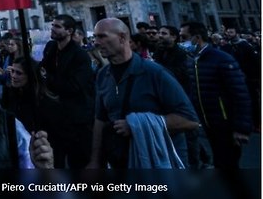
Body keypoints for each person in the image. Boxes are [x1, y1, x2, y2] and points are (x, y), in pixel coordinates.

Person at [87, 18, 199, 169]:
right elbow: (100, 120)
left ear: (122, 38)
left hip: (160, 164)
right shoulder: (102, 75)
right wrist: (95, 161)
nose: (96, 42)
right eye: (95, 37)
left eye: (102, 36)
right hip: (120, 162)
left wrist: (136, 125)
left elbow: (189, 119)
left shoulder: (155, 73)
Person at [184, 21, 252, 169]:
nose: (182, 42)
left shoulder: (221, 58)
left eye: (185, 38)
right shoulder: (193, 61)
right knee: (220, 162)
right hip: (208, 123)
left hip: (226, 122)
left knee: (228, 164)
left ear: (196, 37)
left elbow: (240, 94)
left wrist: (241, 128)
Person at [39, 14, 94, 168]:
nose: (53, 29)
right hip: (56, 116)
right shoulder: (51, 48)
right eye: (52, 25)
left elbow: (74, 86)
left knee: (80, 161)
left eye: (57, 26)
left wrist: (48, 79)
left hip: (77, 118)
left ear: (69, 31)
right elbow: (43, 68)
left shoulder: (80, 55)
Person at [1, 56, 58, 134]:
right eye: (12, 71)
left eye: (19, 73)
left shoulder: (43, 101)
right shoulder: (8, 94)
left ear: (30, 75)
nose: (13, 76)